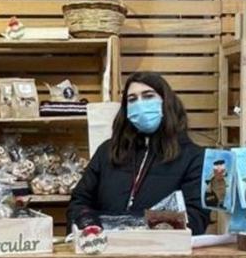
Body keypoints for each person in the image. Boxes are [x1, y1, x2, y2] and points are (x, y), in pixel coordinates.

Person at [68, 72, 209, 234]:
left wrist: (139, 225)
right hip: (105, 251)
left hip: (162, 254)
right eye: (132, 99)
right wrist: (87, 223)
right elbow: (79, 202)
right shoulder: (107, 151)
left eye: (148, 96)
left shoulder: (193, 157)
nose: (140, 104)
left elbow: (196, 217)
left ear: (166, 102)